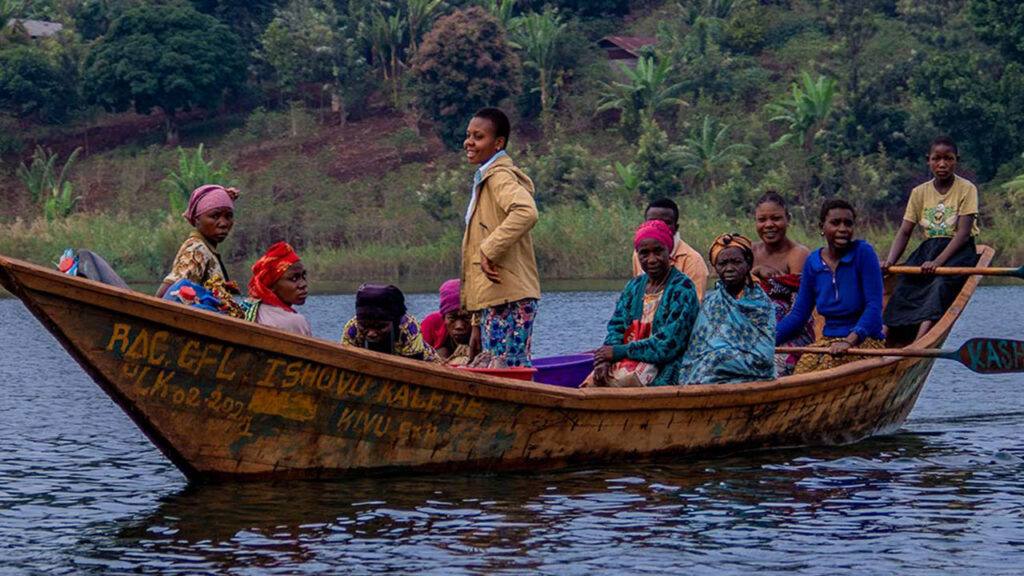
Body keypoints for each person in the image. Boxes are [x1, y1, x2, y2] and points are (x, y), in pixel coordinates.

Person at [461, 107, 540, 368]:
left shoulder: (500, 177)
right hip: (494, 299)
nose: (469, 143)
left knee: (509, 371)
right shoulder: (485, 177)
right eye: (468, 135)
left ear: (499, 143)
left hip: (512, 298)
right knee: (492, 368)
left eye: (478, 137)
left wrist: (489, 249)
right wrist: (475, 322)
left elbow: (526, 212)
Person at [883, 136, 980, 343]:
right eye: (937, 159)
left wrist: (938, 262)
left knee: (939, 284)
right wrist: (890, 261)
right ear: (929, 160)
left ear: (956, 160)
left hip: (958, 250)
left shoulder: (967, 189)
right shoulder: (919, 192)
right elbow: (905, 231)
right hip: (928, 249)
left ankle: (919, 341)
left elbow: (963, 234)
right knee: (904, 284)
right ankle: (883, 337)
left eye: (948, 159)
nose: (942, 164)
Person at [584, 220, 700, 387]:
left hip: (667, 363)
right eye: (644, 253)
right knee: (594, 383)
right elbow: (616, 327)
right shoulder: (634, 286)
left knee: (625, 385)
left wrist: (617, 352)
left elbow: (668, 345)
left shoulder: (683, 288)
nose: (652, 260)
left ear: (669, 251)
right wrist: (604, 360)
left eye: (658, 251)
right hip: (628, 358)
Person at [777, 199, 886, 374]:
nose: (842, 229)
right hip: (827, 341)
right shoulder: (813, 262)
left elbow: (874, 307)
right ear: (822, 226)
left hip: (864, 341)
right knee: (799, 373)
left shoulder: (863, 253)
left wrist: (849, 341)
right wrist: (767, 340)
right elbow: (799, 315)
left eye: (848, 224)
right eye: (835, 223)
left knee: (825, 370)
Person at [679, 233, 776, 384]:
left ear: (748, 264)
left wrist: (720, 357)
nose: (729, 268)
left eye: (736, 262)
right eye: (722, 264)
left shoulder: (760, 302)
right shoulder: (711, 302)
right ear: (715, 268)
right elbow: (696, 351)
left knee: (716, 359)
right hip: (709, 371)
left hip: (753, 370)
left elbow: (763, 356)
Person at [751, 191, 815, 375]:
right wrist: (755, 272)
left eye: (776, 218)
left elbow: (799, 311)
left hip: (791, 332)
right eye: (762, 219)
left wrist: (767, 340)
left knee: (772, 367)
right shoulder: (750, 250)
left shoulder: (798, 254)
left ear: (788, 218)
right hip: (751, 331)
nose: (769, 225)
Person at [157, 184, 238, 299]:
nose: (223, 223)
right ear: (197, 219)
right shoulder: (196, 251)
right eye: (215, 216)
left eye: (228, 216)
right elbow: (165, 296)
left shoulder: (208, 250)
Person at [631, 197, 710, 301]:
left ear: (676, 228)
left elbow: (694, 306)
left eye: (666, 222)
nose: (658, 226)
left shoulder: (692, 260)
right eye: (653, 221)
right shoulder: (639, 254)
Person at [341, 284, 441, 363]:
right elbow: (345, 360)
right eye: (365, 326)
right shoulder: (352, 328)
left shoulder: (409, 328)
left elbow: (414, 369)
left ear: (394, 322)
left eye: (380, 327)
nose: (371, 333)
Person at [246, 242, 312, 336]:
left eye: (304, 276)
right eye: (294, 278)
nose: (303, 284)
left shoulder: (247, 308)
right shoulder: (295, 322)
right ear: (271, 285)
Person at [420, 279, 473, 364]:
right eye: (452, 318)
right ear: (444, 317)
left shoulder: (483, 327)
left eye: (466, 317)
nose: (459, 326)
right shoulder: (431, 323)